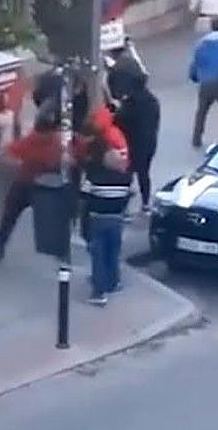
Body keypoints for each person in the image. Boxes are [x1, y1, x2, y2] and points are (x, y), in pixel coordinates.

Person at [0, 106, 65, 262]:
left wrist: (19, 163)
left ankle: (0, 246)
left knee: (9, 216)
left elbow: (5, 154)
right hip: (44, 187)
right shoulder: (56, 142)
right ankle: (60, 251)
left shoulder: (32, 140)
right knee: (53, 218)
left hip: (24, 183)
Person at [80, 106, 132, 305]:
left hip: (97, 218)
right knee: (113, 252)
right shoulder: (124, 179)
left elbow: (84, 197)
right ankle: (114, 282)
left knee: (98, 254)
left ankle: (99, 292)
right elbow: (126, 197)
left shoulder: (94, 177)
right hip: (116, 219)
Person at [113, 70, 160, 213]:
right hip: (149, 142)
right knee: (144, 173)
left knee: (126, 174)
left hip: (133, 142)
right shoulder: (153, 101)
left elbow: (120, 121)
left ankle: (124, 205)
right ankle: (145, 202)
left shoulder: (131, 102)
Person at [189, 17, 218, 149]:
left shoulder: (200, 45)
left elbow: (195, 65)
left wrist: (195, 76)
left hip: (205, 83)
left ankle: (196, 138)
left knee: (201, 111)